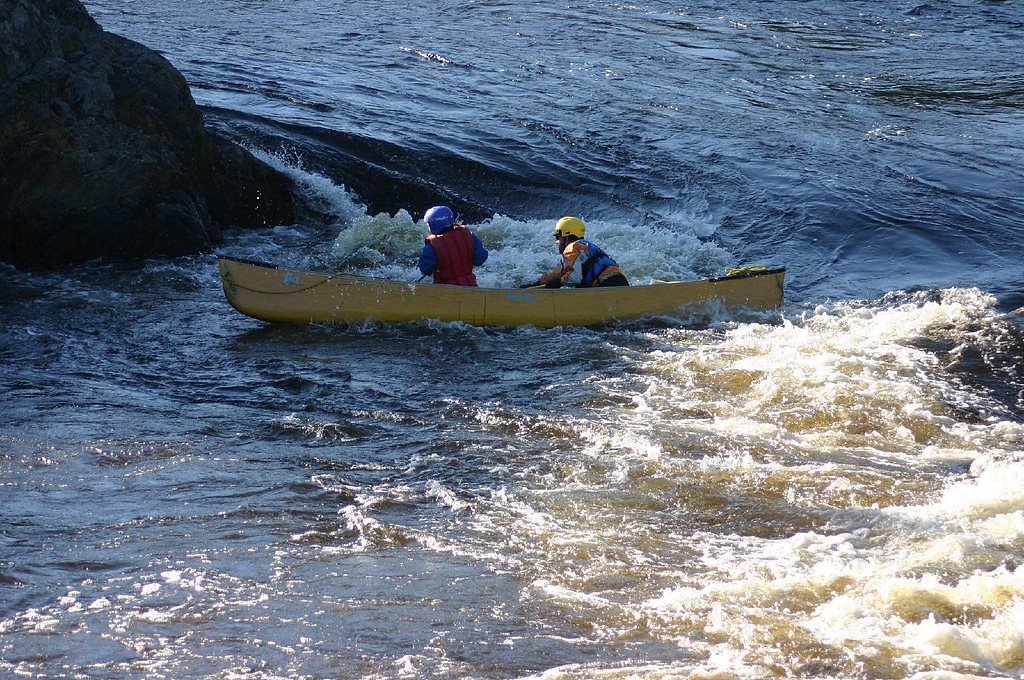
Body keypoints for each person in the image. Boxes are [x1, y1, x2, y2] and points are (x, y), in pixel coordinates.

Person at [521, 216, 628, 288]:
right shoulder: (586, 247)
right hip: (621, 283)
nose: (557, 242)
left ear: (566, 238)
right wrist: (535, 284)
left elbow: (574, 278)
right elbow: (561, 272)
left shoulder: (571, 248)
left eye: (558, 237)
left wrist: (557, 283)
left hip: (606, 286)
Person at [418, 205, 488, 286]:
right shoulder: (469, 235)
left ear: (433, 225)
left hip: (444, 289)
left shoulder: (433, 244)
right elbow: (480, 259)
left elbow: (425, 269)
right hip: (470, 285)